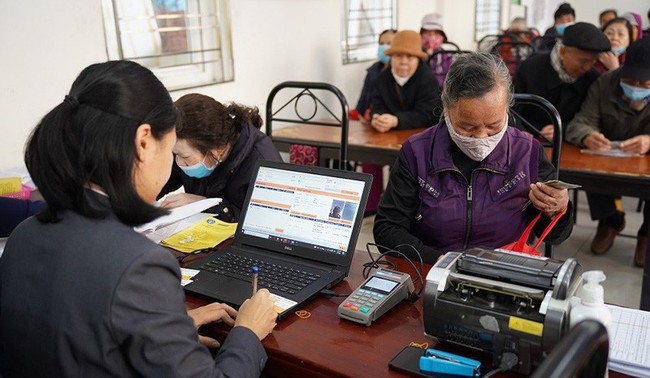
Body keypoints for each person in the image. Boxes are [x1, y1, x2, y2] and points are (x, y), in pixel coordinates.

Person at [0, 61, 277, 377]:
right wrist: (248, 332)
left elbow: (79, 336)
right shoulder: (138, 264)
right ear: (144, 142)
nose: (172, 165)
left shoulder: (24, 235)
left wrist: (170, 328)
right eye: (171, 149)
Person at [373, 53, 573, 263]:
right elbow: (388, 229)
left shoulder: (527, 153)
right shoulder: (417, 152)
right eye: (467, 127)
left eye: (493, 126)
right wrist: (442, 262)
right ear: (446, 107)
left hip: (501, 273)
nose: (481, 137)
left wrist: (557, 208)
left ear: (506, 108)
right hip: (431, 269)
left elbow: (554, 235)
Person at [565, 38, 650, 267]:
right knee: (589, 167)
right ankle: (610, 220)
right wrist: (586, 135)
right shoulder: (605, 83)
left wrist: (649, 141)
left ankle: (646, 233)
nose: (636, 87)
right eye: (630, 80)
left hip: (646, 162)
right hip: (610, 156)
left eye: (644, 83)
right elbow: (580, 122)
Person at [158, 93, 282, 222]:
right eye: (175, 154)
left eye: (185, 157)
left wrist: (205, 205)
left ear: (217, 149)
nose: (179, 162)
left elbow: (265, 222)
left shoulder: (263, 162)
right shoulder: (185, 147)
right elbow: (161, 181)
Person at [514, 22, 611, 140]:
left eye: (593, 61)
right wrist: (520, 132)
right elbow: (512, 109)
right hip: (525, 140)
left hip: (567, 143)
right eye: (583, 61)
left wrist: (562, 130)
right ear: (563, 52)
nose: (587, 67)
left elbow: (588, 118)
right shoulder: (530, 68)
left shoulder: (592, 78)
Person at [370, 29, 441, 133]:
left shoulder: (428, 79)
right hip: (388, 136)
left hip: (422, 138)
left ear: (418, 59)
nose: (403, 62)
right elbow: (377, 106)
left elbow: (429, 114)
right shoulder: (382, 79)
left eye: (410, 57)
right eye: (398, 56)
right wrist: (377, 119)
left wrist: (397, 120)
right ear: (391, 58)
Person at [352, 29, 397, 122]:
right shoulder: (373, 70)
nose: (384, 47)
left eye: (389, 43)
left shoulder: (400, 73)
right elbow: (363, 100)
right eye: (381, 43)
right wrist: (357, 115)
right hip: (367, 122)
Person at [420, 13, 453, 88]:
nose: (432, 37)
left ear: (442, 37)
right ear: (421, 35)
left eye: (436, 33)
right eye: (427, 33)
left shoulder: (447, 57)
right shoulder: (416, 55)